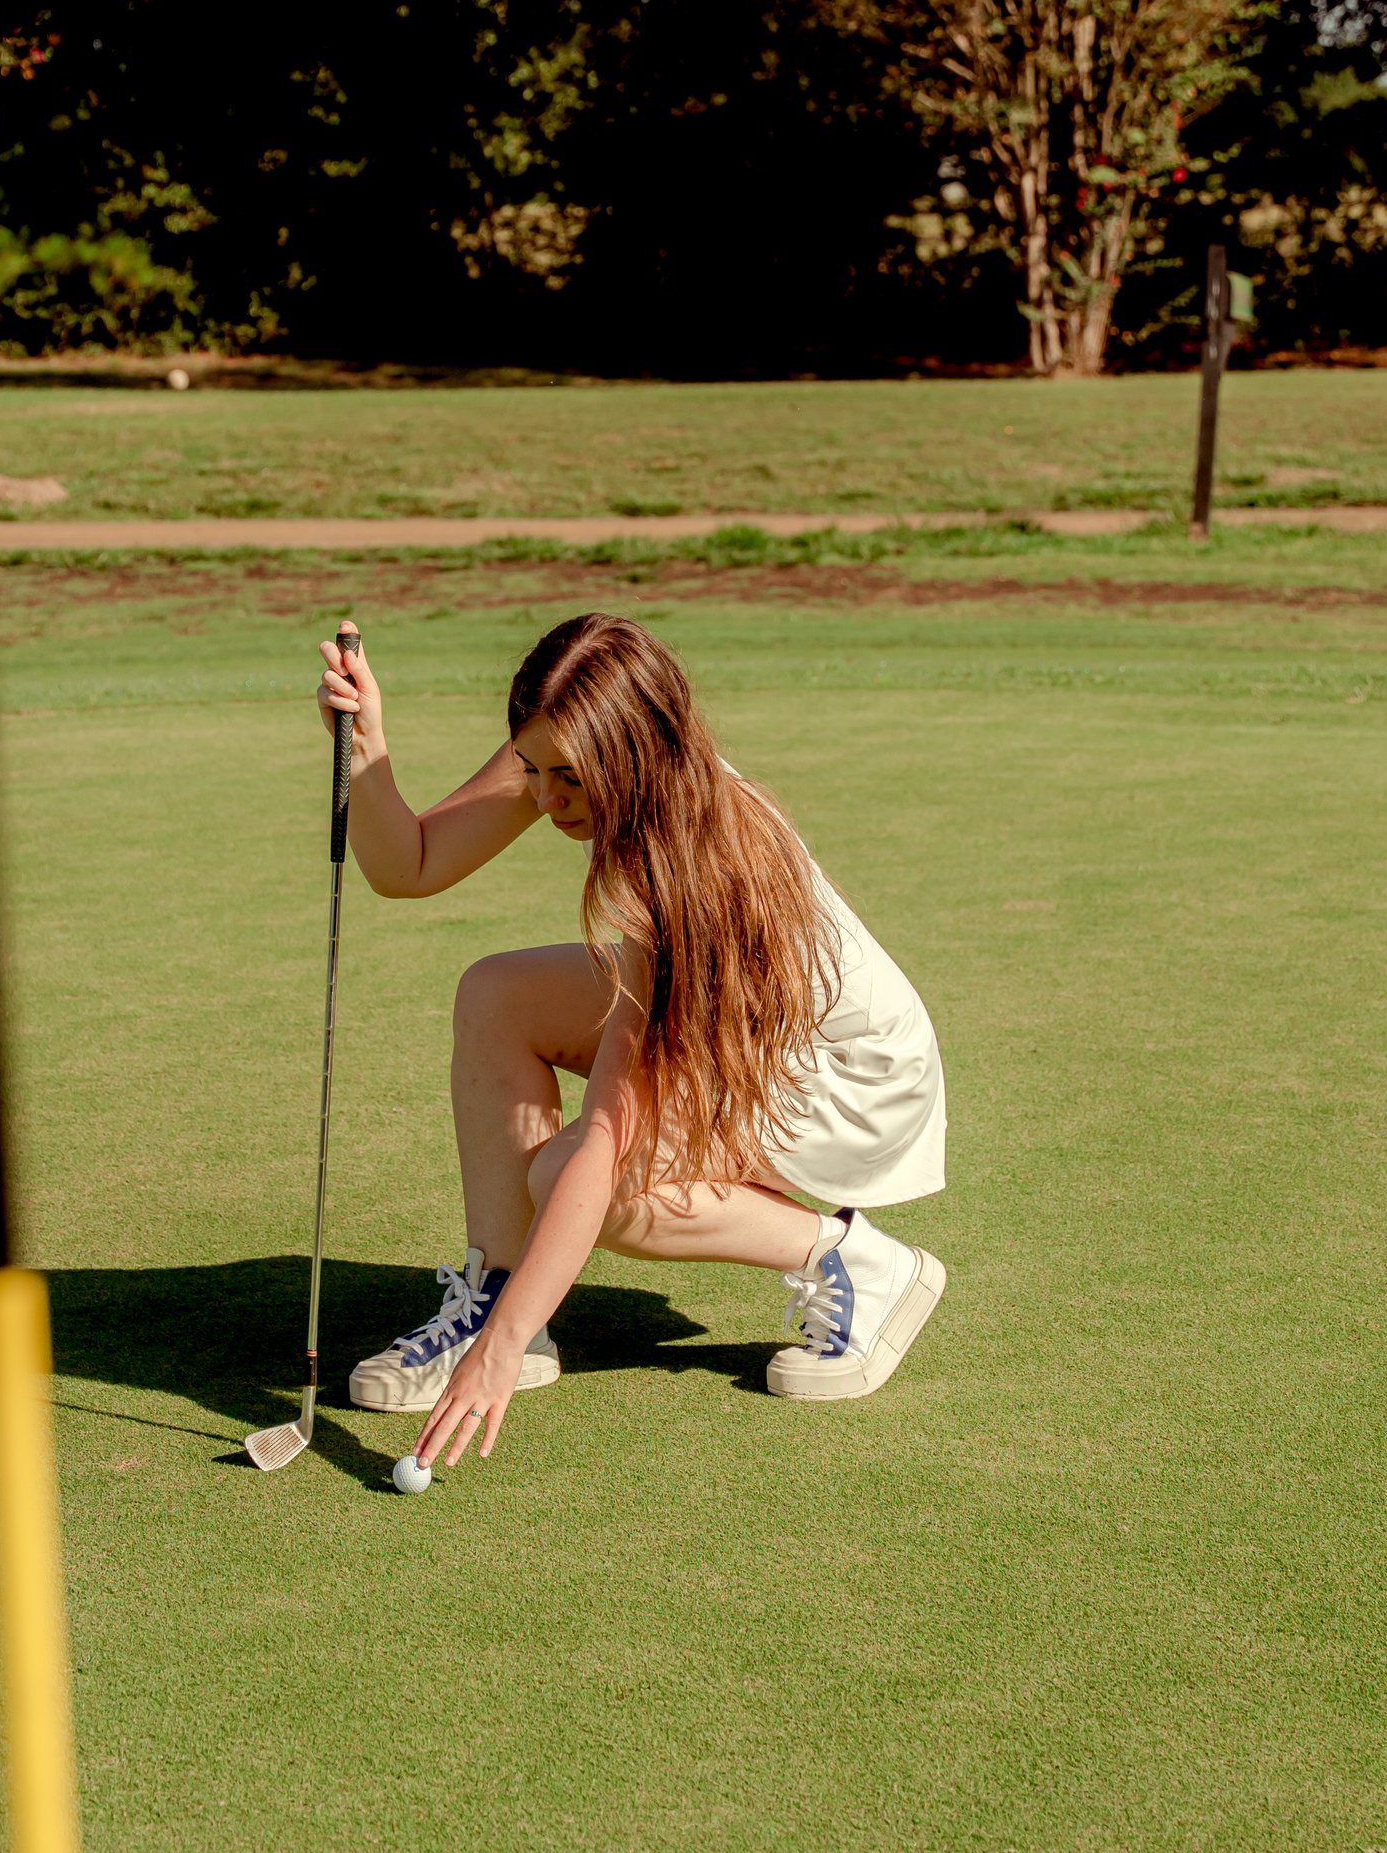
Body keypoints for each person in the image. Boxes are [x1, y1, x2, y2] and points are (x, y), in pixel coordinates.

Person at [317, 611, 946, 1470]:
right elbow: (410, 865)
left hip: (847, 1076)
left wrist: (494, 1355)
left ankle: (854, 1261)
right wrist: (368, 747)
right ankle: (500, 1293)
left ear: (630, 751)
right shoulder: (569, 740)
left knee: (576, 1177)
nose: (545, 799)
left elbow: (605, 1141)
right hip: (755, 1018)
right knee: (497, 994)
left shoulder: (690, 871)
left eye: (566, 779)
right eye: (531, 770)